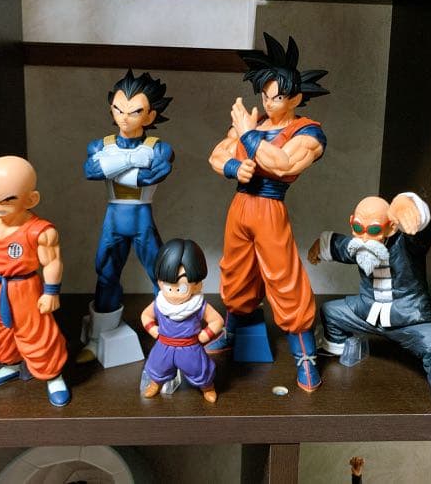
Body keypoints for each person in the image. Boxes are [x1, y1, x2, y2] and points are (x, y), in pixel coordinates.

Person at [207, 32, 329, 392]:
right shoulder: (255, 122)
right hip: (240, 206)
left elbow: (282, 164)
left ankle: (305, 356)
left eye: (277, 97)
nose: (269, 102)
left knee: (284, 279)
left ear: (296, 98)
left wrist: (248, 136)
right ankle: (232, 331)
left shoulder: (306, 132)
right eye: (265, 95)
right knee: (235, 271)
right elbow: (217, 155)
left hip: (270, 207)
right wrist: (234, 167)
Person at [308, 193, 431, 431]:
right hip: (366, 313)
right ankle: (335, 346)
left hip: (408, 319)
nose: (364, 237)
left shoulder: (407, 245)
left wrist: (409, 204)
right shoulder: (359, 245)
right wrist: (319, 247)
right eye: (358, 227)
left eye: (373, 230)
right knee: (331, 311)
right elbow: (339, 245)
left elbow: (421, 232)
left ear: (391, 227)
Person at [79, 70, 174, 364]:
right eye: (118, 109)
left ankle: (172, 336)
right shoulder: (100, 144)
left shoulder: (159, 148)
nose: (124, 117)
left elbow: (151, 176)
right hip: (114, 218)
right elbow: (91, 171)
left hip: (142, 218)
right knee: (106, 273)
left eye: (134, 112)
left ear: (150, 115)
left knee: (162, 276)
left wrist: (112, 165)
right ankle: (98, 337)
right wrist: (131, 160)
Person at [0, 156, 70, 407]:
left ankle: (53, 375)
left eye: (7, 200)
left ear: (30, 199)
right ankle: (11, 364)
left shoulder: (40, 231)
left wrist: (51, 292)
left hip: (25, 289)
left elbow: (52, 262)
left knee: (36, 334)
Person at [141, 239, 224, 403]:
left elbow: (217, 321)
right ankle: (155, 383)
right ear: (160, 283)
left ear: (197, 285)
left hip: (189, 348)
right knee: (157, 367)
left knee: (200, 370)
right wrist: (153, 330)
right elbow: (146, 315)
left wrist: (205, 335)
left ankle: (207, 387)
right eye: (169, 287)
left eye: (181, 288)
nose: (173, 293)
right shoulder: (159, 304)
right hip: (164, 346)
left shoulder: (198, 306)